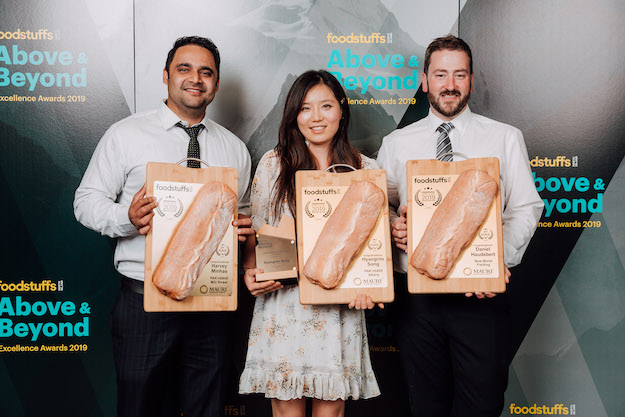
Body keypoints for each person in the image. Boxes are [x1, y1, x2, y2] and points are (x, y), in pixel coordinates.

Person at [73, 36, 253, 417]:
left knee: (207, 408)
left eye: (206, 72)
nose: (195, 79)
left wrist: (241, 232)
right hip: (144, 302)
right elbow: (85, 202)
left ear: (216, 83)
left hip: (212, 302)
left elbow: (242, 215)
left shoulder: (234, 149)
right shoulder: (126, 135)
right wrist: (126, 218)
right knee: (140, 407)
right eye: (184, 69)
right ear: (166, 76)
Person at [376, 35, 544, 417]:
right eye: (440, 74)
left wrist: (493, 260)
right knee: (426, 407)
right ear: (424, 81)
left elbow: (525, 207)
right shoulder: (396, 143)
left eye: (459, 75)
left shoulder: (505, 137)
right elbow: (382, 207)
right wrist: (393, 226)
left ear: (470, 80)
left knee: (481, 406)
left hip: (480, 299)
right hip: (417, 299)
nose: (449, 84)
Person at [238, 70, 381, 417]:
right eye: (305, 108)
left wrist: (369, 286)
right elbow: (258, 230)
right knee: (286, 412)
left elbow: (372, 247)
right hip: (283, 305)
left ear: (342, 109)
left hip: (339, 309)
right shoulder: (273, 164)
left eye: (326, 106)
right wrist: (250, 271)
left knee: (330, 412)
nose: (316, 117)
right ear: (294, 115)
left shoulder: (365, 169)